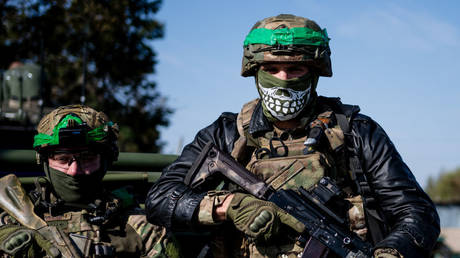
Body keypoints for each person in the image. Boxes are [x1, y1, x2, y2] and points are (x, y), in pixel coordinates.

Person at [145, 14, 440, 258]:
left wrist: (391, 252)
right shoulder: (227, 133)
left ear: (313, 73)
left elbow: (417, 213)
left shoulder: (355, 131)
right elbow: (160, 199)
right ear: (255, 72)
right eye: (272, 69)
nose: (283, 80)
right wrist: (228, 207)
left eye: (295, 69)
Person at [0, 105, 180, 257]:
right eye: (63, 159)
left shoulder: (141, 227)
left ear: (105, 160)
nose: (74, 170)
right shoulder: (14, 219)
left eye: (87, 158)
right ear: (45, 162)